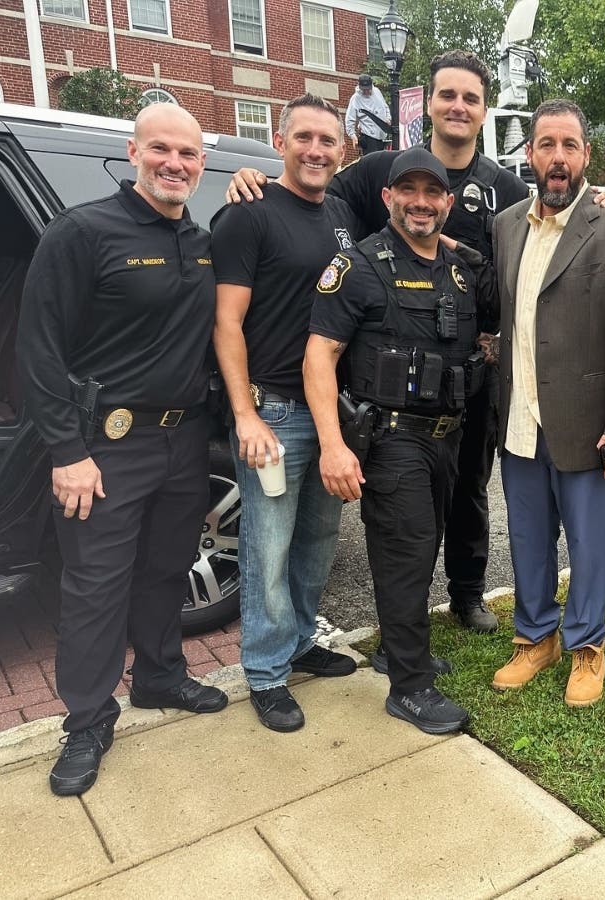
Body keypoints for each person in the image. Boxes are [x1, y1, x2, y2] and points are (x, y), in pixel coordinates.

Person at [227, 50, 530, 640]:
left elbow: (546, 229)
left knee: (468, 487)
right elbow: (311, 191)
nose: (458, 106)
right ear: (429, 103)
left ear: (483, 108)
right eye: (447, 95)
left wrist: (596, 201)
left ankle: (467, 593)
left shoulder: (506, 187)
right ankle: (394, 627)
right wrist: (256, 180)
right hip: (388, 378)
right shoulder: (377, 170)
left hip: (467, 374)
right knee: (398, 509)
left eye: (470, 98)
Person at [17, 104, 228, 796]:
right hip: (106, 445)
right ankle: (86, 721)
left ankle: (160, 677)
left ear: (201, 164)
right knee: (95, 588)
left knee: (166, 569)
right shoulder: (82, 232)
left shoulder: (201, 241)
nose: (175, 164)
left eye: (188, 154)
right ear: (134, 153)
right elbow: (38, 350)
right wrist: (66, 452)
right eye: (161, 149)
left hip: (185, 438)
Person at [303, 148, 493, 734]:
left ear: (448, 203)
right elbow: (319, 356)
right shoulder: (358, 266)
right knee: (405, 555)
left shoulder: (459, 271)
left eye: (432, 192)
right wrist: (332, 446)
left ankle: (396, 649)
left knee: (423, 547)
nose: (420, 202)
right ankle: (410, 688)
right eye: (407, 190)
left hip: (446, 438)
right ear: (387, 198)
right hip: (390, 441)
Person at [488, 100, 605, 707]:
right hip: (519, 419)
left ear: (586, 155)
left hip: (588, 425)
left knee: (589, 546)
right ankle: (536, 637)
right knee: (528, 539)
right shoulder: (506, 226)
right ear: (530, 153)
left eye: (569, 145)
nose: (557, 157)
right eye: (546, 144)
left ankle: (587, 644)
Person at [211, 95, 360, 733]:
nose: (316, 150)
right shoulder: (247, 215)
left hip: (330, 414)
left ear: (343, 150)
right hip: (273, 411)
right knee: (266, 549)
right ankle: (267, 672)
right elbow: (227, 323)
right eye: (304, 137)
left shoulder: (342, 214)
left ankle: (299, 641)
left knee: (317, 542)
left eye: (328, 140)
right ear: (280, 141)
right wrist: (245, 414)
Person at [345, 74, 391, 156]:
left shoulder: (377, 92)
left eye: (368, 89)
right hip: (369, 136)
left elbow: (385, 106)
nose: (366, 92)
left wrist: (388, 118)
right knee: (373, 159)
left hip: (382, 134)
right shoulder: (355, 98)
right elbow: (349, 119)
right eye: (364, 90)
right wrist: (353, 135)